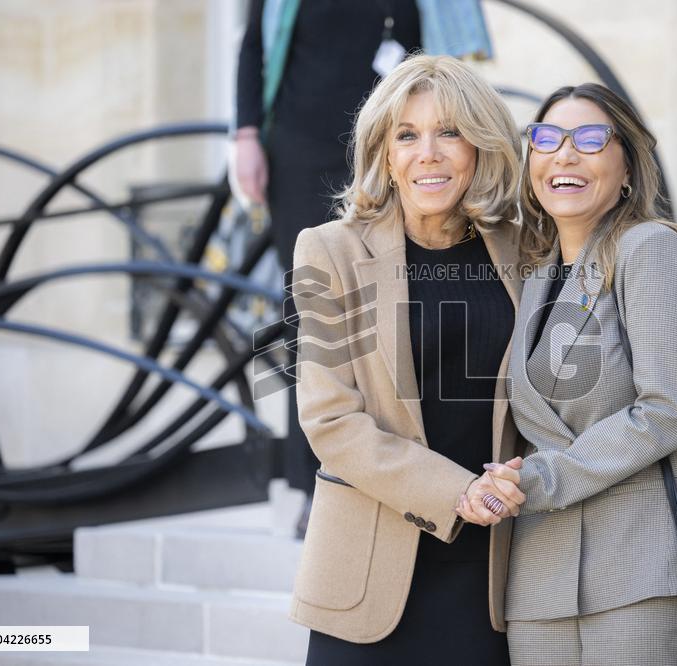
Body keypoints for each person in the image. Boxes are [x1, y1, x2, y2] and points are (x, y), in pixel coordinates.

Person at [289, 55, 525, 665]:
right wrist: (457, 491)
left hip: (492, 573)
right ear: (384, 154)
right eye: (407, 135)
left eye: (450, 132)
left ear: (480, 146)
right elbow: (330, 420)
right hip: (368, 569)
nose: (429, 154)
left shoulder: (527, 248)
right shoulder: (328, 251)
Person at [484, 83, 677, 666]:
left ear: (627, 168)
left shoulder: (650, 248)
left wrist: (538, 479)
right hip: (540, 581)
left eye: (590, 139)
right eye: (547, 138)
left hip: (643, 567)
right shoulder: (535, 273)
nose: (565, 154)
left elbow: (670, 410)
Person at [232, 0, 421, 534]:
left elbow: (427, 57)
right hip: (299, 151)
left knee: (391, 307)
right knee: (312, 319)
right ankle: (315, 483)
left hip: (386, 152)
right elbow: (253, 46)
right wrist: (245, 135)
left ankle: (397, 468)